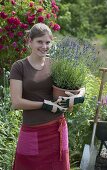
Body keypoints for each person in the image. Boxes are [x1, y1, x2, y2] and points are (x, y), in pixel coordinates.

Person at [9, 23, 85, 170]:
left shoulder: (56, 65)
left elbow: (81, 87)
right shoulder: (19, 67)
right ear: (29, 41)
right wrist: (45, 104)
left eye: (48, 42)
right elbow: (16, 102)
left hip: (56, 130)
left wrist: (76, 97)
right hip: (32, 130)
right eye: (39, 42)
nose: (44, 46)